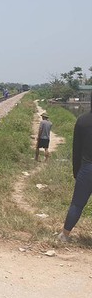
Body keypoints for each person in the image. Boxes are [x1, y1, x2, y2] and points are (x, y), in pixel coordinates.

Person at [58, 104, 92, 242]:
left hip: (86, 168)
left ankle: (65, 235)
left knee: (77, 204)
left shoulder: (83, 120)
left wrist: (76, 171)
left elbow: (76, 149)